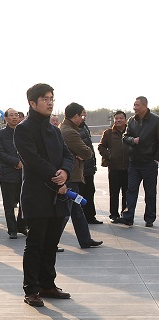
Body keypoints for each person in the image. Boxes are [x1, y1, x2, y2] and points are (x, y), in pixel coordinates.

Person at [13, 83, 74, 308]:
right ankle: (31, 289)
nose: (50, 103)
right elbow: (32, 159)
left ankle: (48, 284)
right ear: (32, 103)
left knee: (51, 243)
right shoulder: (24, 129)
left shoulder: (54, 130)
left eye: (51, 99)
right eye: (45, 99)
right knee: (35, 244)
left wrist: (65, 172)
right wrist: (56, 177)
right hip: (37, 195)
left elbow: (68, 154)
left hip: (57, 195)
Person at [59, 103, 103, 249]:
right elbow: (87, 152)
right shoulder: (69, 132)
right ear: (75, 116)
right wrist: (82, 154)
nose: (83, 118)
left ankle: (85, 240)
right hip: (70, 176)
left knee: (77, 211)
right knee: (65, 213)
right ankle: (51, 243)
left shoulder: (66, 128)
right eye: (81, 115)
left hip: (73, 176)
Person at [117, 96, 159, 227]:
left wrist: (156, 159)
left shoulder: (156, 121)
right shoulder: (131, 120)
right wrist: (133, 141)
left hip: (149, 162)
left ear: (145, 106)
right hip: (134, 163)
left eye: (137, 105)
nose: (134, 107)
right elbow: (125, 137)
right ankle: (128, 217)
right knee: (131, 190)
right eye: (134, 105)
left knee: (150, 192)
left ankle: (150, 218)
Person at [0, 107, 26, 238]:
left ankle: (21, 225)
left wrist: (24, 162)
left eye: (16, 115)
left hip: (24, 174)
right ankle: (12, 229)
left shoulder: (24, 132)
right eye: (11, 115)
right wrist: (16, 162)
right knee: (9, 204)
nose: (14, 117)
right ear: (6, 118)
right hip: (7, 174)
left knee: (24, 202)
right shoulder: (0, 134)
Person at [98, 110, 130, 221]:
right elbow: (101, 147)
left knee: (127, 193)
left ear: (125, 120)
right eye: (116, 118)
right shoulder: (108, 133)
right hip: (114, 168)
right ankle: (114, 215)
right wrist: (109, 156)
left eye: (121, 118)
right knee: (114, 193)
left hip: (129, 168)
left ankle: (126, 215)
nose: (118, 120)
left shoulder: (130, 132)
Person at [78, 109, 102, 224]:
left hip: (89, 167)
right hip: (80, 168)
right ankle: (81, 216)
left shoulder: (84, 127)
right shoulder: (72, 129)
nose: (84, 115)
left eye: (85, 113)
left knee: (90, 191)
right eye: (82, 113)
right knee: (81, 194)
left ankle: (90, 216)